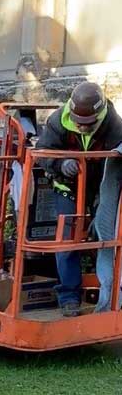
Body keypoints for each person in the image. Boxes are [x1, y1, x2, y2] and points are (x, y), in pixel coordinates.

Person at [35, 82, 122, 316]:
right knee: (67, 241)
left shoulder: (115, 125)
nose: (82, 128)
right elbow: (42, 152)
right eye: (77, 123)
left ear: (100, 114)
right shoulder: (57, 122)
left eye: (88, 124)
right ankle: (69, 297)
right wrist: (61, 164)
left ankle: (109, 292)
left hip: (100, 191)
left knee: (106, 238)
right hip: (67, 188)